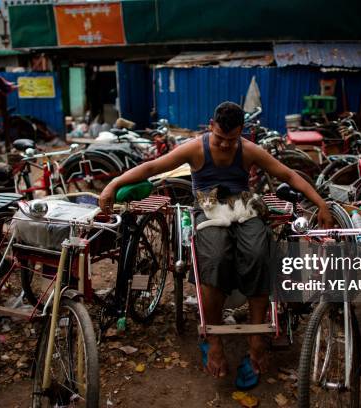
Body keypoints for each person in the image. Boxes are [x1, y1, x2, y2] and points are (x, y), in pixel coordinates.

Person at [99, 101, 333, 381]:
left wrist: (322, 204)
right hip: (208, 209)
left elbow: (288, 174)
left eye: (231, 140)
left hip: (244, 207)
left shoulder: (247, 149)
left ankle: (257, 337)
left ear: (241, 133)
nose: (224, 145)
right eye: (220, 138)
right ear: (211, 126)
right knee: (215, 257)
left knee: (260, 252)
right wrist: (112, 185)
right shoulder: (196, 148)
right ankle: (214, 341)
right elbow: (152, 166)